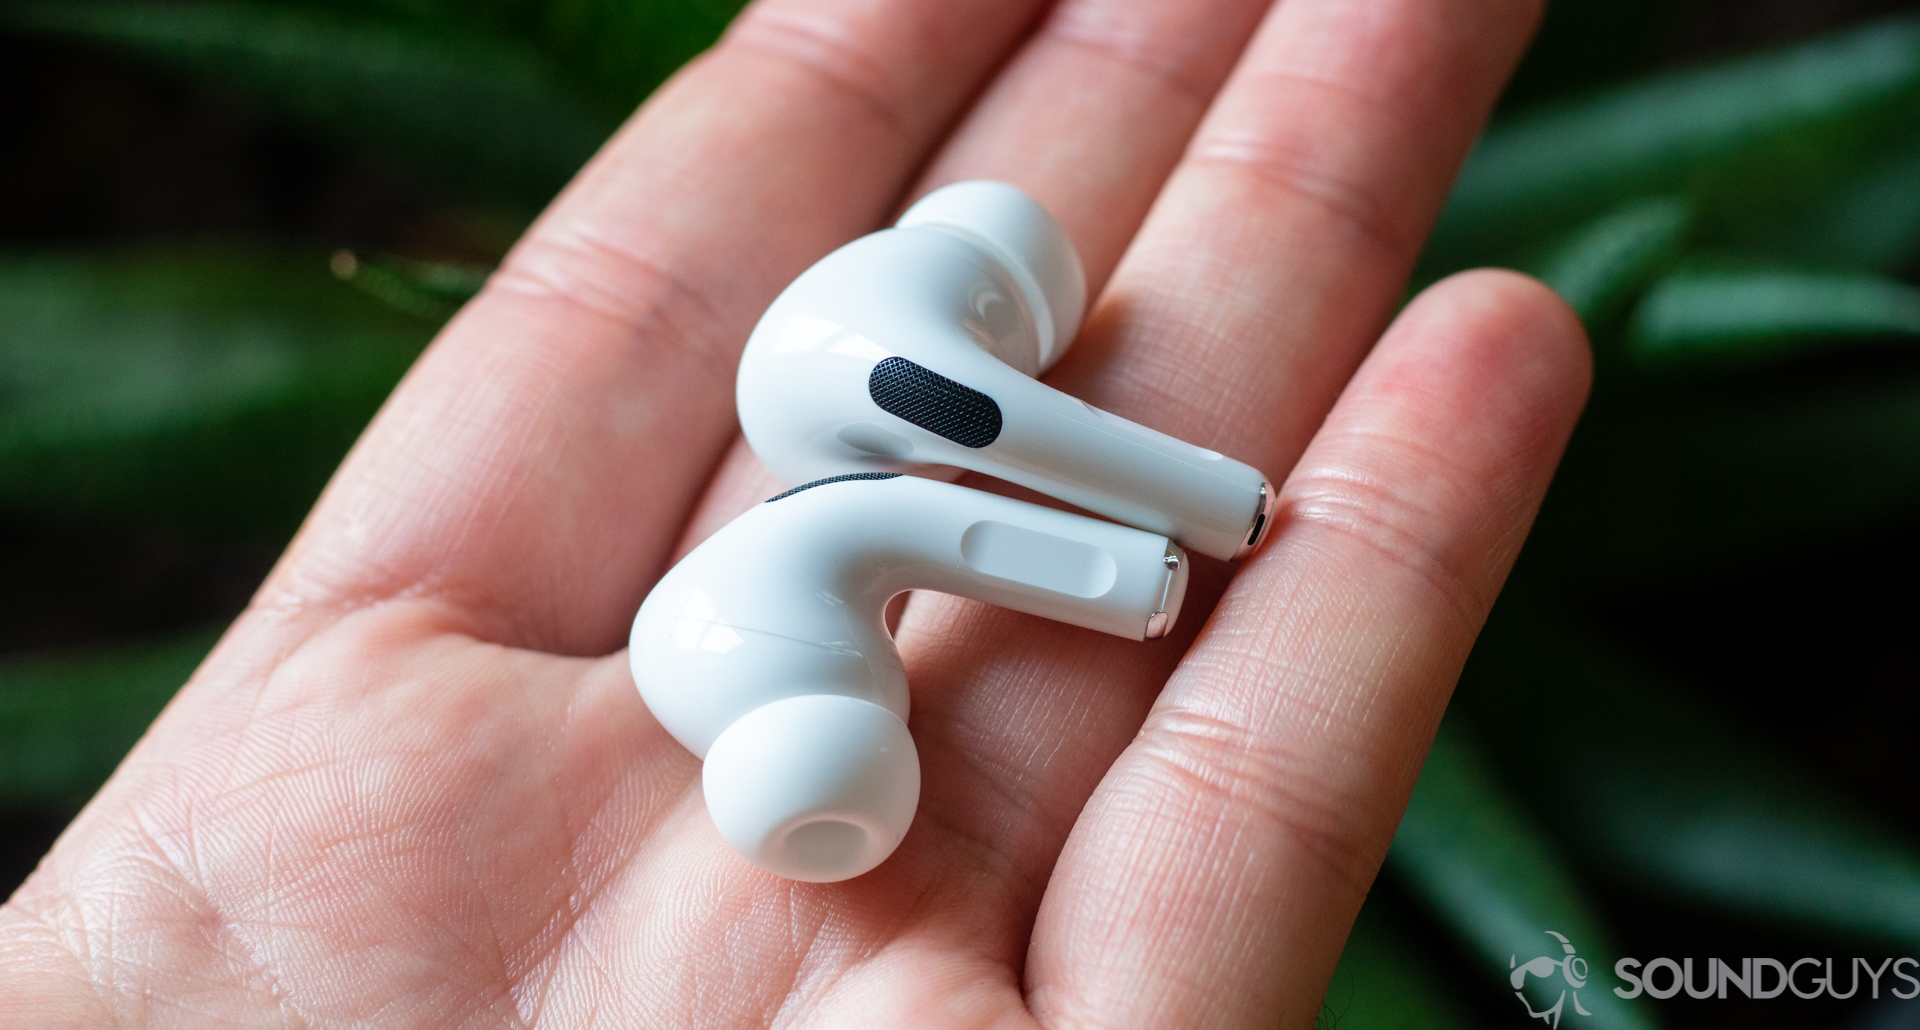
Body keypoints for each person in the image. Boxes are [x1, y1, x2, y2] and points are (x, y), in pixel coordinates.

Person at [0, 0, 1588, 1025]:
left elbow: (929, 516)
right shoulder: (812, 521)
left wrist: (1152, 547)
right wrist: (1186, 530)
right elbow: (938, 512)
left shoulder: (790, 546)